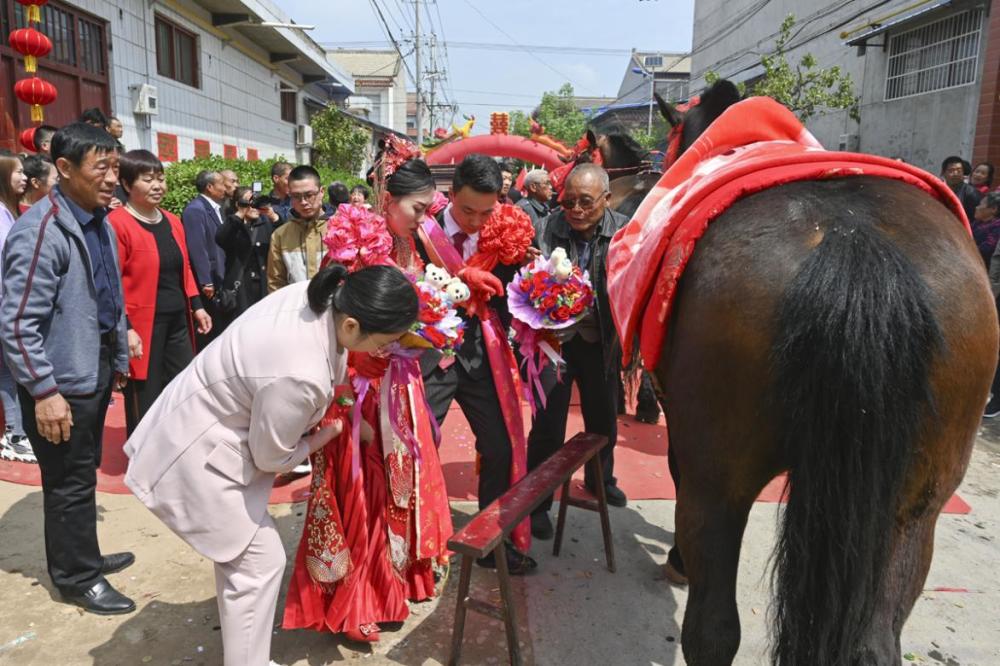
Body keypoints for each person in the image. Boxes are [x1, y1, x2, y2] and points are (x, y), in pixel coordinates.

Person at [123, 264, 418, 666]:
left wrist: (341, 409)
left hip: (199, 423)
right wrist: (327, 434)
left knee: (241, 564)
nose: (383, 351)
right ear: (352, 325)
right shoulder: (300, 373)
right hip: (197, 452)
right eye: (382, 342)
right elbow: (272, 457)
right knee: (259, 564)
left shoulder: (317, 297)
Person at [284, 156, 454, 642]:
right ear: (388, 199)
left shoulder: (409, 241)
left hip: (400, 381)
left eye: (429, 210)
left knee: (401, 481)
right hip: (361, 386)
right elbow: (332, 326)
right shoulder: (355, 240)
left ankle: (397, 580)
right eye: (418, 208)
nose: (424, 219)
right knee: (365, 486)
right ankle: (361, 595)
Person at [0, 123, 134, 614]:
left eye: (115, 167)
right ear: (65, 168)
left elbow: (106, 294)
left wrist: (117, 354)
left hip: (90, 368)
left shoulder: (97, 221)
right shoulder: (41, 231)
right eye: (101, 167)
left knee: (81, 474)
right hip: (59, 383)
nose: (112, 178)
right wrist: (44, 391)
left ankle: (84, 556)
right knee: (68, 482)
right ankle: (77, 578)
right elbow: (17, 324)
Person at [418, 154, 536, 574]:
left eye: (486, 213)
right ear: (450, 195)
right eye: (468, 211)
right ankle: (419, 546)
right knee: (418, 449)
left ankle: (490, 540)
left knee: (499, 447)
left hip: (480, 358)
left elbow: (514, 294)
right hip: (428, 357)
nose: (476, 222)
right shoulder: (421, 233)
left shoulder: (503, 233)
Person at [527, 164, 629, 539]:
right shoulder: (545, 228)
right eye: (568, 201)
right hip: (554, 342)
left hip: (600, 341)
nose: (576, 210)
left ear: (607, 198)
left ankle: (601, 480)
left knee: (603, 420)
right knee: (547, 425)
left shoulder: (625, 232)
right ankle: (538, 502)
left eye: (586, 201)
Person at [107, 150, 212, 435]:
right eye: (147, 179)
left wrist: (197, 305)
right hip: (142, 325)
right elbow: (112, 281)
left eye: (160, 178)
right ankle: (142, 448)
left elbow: (184, 266)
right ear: (126, 184)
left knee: (182, 384)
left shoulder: (172, 220)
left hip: (178, 319)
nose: (157, 185)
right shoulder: (117, 223)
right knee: (146, 391)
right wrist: (126, 326)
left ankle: (176, 442)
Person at [0, 151, 33, 463]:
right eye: (18, 172)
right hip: (5, 305)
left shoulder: (10, 212)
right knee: (11, 371)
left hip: (10, 304)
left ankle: (16, 432)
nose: (25, 177)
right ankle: (15, 435)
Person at [182, 170, 228, 350]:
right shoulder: (195, 210)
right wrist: (205, 280)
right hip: (208, 280)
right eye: (221, 184)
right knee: (209, 329)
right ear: (210, 187)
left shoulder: (217, 208)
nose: (225, 187)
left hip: (219, 274)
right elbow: (197, 247)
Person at [267, 165, 329, 293]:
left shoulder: (341, 230)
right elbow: (276, 284)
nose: (303, 202)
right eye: (296, 196)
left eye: (309, 195)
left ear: (322, 192)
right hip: (295, 304)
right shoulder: (280, 235)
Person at [216, 186, 274, 317]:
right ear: (238, 204)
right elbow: (220, 238)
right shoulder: (234, 225)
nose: (254, 206)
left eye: (256, 202)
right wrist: (240, 212)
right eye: (249, 202)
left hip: (262, 286)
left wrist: (272, 215)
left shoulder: (265, 224)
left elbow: (283, 236)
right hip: (240, 287)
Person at [942, 156, 982, 223]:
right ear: (943, 173)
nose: (955, 174)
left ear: (963, 173)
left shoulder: (971, 193)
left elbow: (974, 219)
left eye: (959, 171)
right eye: (951, 170)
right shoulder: (937, 189)